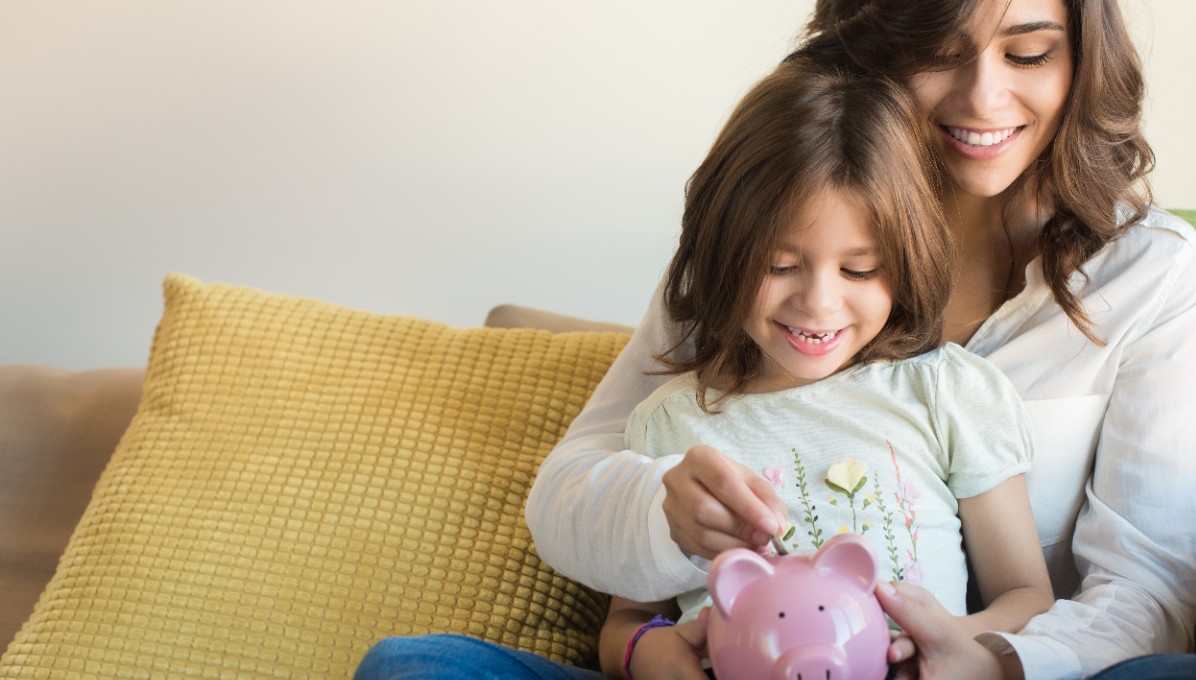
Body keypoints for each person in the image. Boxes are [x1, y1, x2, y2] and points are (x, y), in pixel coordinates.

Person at [524, 0, 1196, 678]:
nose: (985, 98)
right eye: (938, 50)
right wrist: (666, 524)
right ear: (869, 47)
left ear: (1082, 62)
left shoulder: (1154, 273)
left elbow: (1143, 592)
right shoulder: (758, 242)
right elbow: (568, 500)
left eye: (1027, 54)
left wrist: (993, 659)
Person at [356, 55, 1056, 680]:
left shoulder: (944, 391)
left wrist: (959, 645)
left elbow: (1028, 595)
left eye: (859, 269)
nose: (818, 302)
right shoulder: (673, 420)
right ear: (723, 252)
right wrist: (650, 653)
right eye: (780, 265)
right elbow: (628, 624)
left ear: (905, 266)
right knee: (411, 665)